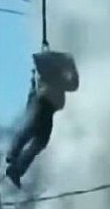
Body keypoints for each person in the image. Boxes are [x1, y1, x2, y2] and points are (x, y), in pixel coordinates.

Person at [6, 49, 79, 188]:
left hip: (49, 108)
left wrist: (71, 65)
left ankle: (17, 168)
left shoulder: (58, 79)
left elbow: (74, 85)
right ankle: (13, 155)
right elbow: (38, 58)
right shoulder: (49, 76)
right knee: (31, 130)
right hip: (42, 104)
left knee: (40, 140)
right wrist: (63, 60)